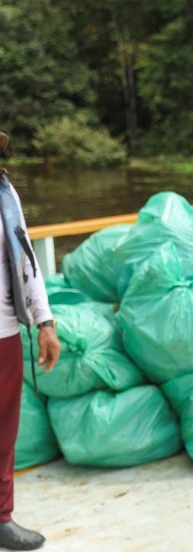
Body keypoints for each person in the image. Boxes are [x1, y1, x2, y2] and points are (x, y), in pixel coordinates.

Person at [0, 131, 61, 551]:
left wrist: (45, 321)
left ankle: (1, 518)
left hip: (4, 330)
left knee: (4, 431)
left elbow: (27, 259)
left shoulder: (6, 192)